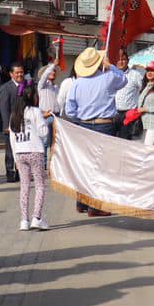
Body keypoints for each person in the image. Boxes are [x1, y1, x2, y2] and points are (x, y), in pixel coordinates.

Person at [61, 47, 128, 215]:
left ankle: (82, 202)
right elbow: (124, 80)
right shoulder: (108, 77)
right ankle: (95, 206)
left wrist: (81, 119)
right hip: (104, 125)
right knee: (101, 167)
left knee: (85, 164)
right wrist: (110, 66)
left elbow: (70, 110)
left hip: (84, 125)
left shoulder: (76, 83)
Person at [9, 85, 51, 230]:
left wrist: (15, 157)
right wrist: (44, 119)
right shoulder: (35, 111)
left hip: (20, 152)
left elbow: (12, 138)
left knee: (24, 187)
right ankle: (36, 218)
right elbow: (44, 132)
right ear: (32, 97)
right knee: (39, 185)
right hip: (35, 151)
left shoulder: (14, 114)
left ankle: (24, 221)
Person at [0, 61, 29, 181]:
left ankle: (21, 172)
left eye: (21, 72)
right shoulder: (6, 88)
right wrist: (6, 125)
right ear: (11, 74)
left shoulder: (27, 85)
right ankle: (10, 172)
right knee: (11, 150)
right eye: (17, 72)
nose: (20, 75)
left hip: (25, 123)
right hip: (11, 124)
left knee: (23, 149)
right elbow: (4, 108)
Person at [113, 54, 144, 139]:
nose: (121, 62)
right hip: (113, 114)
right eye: (118, 59)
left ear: (128, 61)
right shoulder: (111, 75)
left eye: (123, 59)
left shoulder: (135, 75)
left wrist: (139, 109)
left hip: (128, 114)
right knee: (112, 141)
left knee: (124, 141)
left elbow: (144, 90)